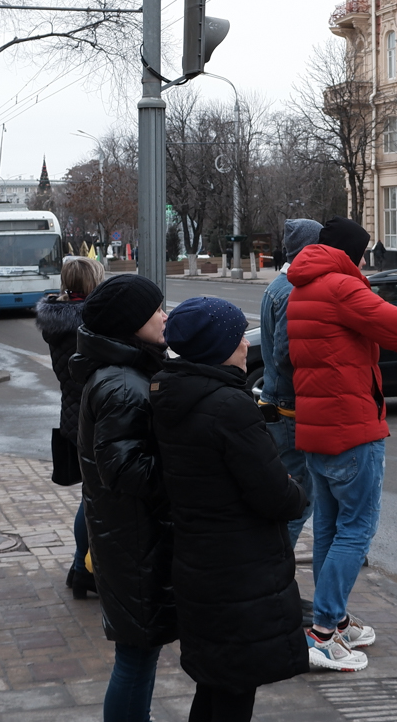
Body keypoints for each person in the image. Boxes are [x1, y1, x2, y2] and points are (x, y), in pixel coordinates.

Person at [287, 218, 397, 672]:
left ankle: (332, 619)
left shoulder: (302, 285)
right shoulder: (340, 286)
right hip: (352, 430)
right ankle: (324, 631)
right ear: (353, 252)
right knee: (356, 530)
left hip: (317, 429)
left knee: (331, 530)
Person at [153, 297, 309, 722]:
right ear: (218, 346)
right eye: (237, 335)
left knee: (217, 681)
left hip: (201, 563)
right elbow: (274, 494)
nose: (245, 344)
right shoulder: (228, 406)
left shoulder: (171, 391)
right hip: (239, 572)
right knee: (235, 688)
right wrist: (298, 490)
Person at [71, 273, 174, 722]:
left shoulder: (127, 372)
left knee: (140, 654)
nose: (165, 316)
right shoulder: (122, 385)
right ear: (130, 323)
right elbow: (126, 469)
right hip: (133, 540)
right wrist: (187, 465)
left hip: (129, 534)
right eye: (156, 311)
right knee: (135, 658)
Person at [38, 256, 104, 598]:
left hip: (71, 415)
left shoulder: (57, 320)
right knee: (93, 498)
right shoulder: (93, 321)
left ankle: (81, 568)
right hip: (95, 415)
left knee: (90, 495)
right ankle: (82, 569)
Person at [258, 219, 321, 550]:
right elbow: (287, 355)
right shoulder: (292, 291)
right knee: (299, 500)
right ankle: (274, 573)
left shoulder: (276, 286)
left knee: (290, 492)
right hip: (290, 406)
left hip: (278, 401)